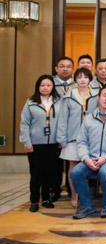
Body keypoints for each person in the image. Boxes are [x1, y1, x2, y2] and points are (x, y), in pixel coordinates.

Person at [71, 86, 106, 219]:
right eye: (104, 95)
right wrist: (86, 158)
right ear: (98, 98)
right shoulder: (89, 118)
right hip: (91, 158)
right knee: (76, 172)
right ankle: (87, 205)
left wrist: (105, 158)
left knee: (105, 173)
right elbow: (82, 141)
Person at [20, 75, 62, 212]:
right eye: (42, 85)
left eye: (48, 85)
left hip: (53, 143)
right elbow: (24, 124)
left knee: (49, 173)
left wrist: (61, 140)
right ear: (38, 87)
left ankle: (45, 198)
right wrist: (27, 142)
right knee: (36, 174)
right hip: (35, 144)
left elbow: (62, 122)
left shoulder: (58, 101)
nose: (45, 88)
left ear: (53, 87)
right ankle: (34, 200)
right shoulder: (30, 102)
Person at [57, 68, 97, 207]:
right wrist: (62, 138)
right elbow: (62, 119)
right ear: (75, 80)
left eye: (85, 77)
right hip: (73, 137)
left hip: (92, 137)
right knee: (73, 168)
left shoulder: (97, 95)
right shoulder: (68, 96)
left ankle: (88, 195)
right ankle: (74, 195)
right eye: (79, 77)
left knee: (91, 166)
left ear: (90, 79)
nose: (82, 80)